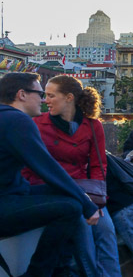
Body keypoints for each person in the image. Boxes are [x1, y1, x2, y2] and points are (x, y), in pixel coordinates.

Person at [0, 72, 100, 276]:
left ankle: (62, 270)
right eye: (39, 93)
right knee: (70, 207)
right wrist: (88, 205)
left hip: (11, 193)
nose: (44, 100)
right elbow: (47, 167)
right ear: (22, 94)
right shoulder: (16, 120)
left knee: (71, 195)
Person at [21, 75, 120, 276]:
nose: (44, 100)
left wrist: (98, 202)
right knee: (82, 230)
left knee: (106, 229)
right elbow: (27, 168)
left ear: (68, 97)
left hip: (85, 190)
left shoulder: (93, 126)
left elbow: (98, 165)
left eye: (50, 95)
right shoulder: (37, 125)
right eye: (44, 95)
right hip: (53, 191)